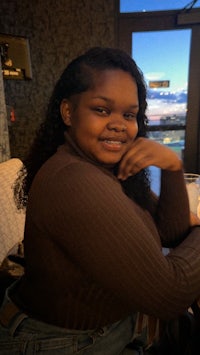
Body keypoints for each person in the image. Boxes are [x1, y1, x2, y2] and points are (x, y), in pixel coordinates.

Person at [0, 46, 200, 355]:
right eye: (102, 110)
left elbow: (170, 233)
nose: (119, 124)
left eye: (129, 114)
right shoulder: (74, 180)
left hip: (110, 326)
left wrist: (172, 167)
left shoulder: (106, 168)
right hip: (65, 342)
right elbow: (169, 294)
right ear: (68, 112)